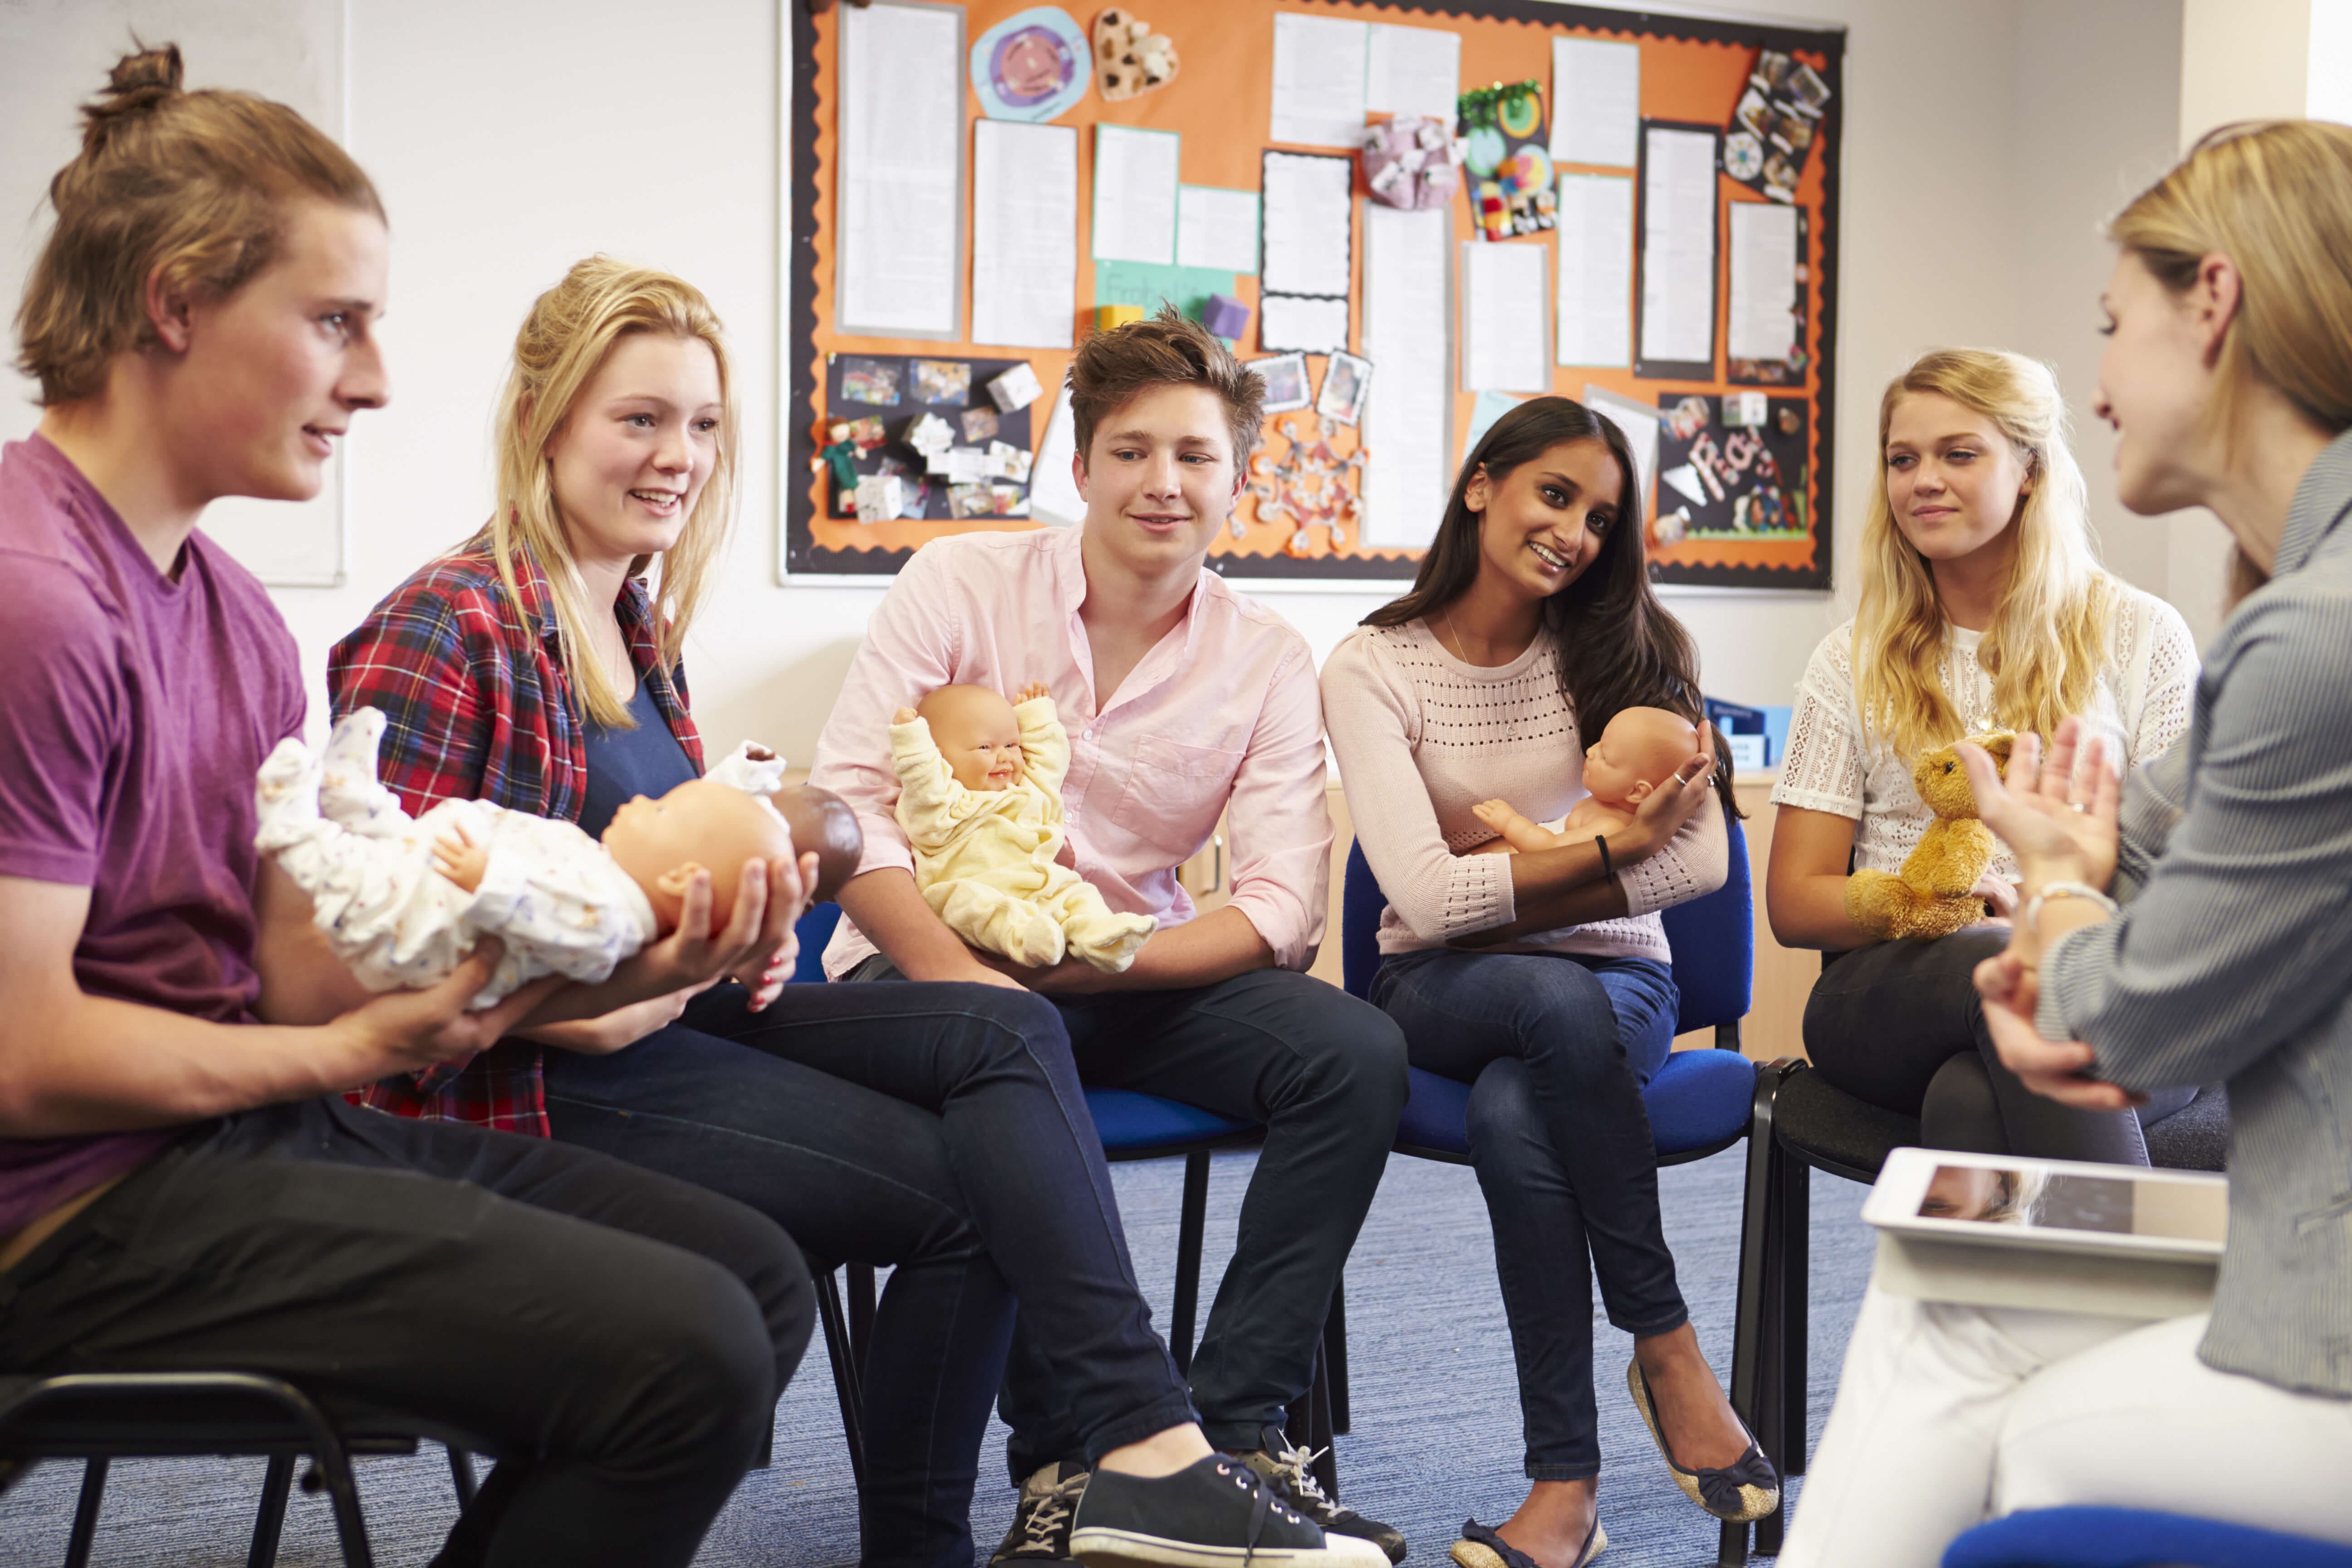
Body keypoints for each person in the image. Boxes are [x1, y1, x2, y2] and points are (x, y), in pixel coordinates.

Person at [332, 264, 1368, 1568]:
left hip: (679, 1019)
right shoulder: (449, 622)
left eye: (703, 427)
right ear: (543, 416)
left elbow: (649, 881)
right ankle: (1128, 1460)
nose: (678, 458)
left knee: (1006, 1061)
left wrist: (748, 912)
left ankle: (1142, 1451)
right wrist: (628, 986)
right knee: (982, 1171)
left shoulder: (631, 621)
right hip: (542, 1074)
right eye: (639, 420)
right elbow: (374, 950)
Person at [0, 48, 813, 1568]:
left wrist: (646, 940)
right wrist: (340, 1051)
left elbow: (293, 964)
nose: (373, 379)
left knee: (750, 1282)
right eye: (333, 323)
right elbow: (26, 1058)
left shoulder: (234, 616)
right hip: (60, 1213)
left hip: (239, 1130)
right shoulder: (36, 602)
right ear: (176, 304)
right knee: (686, 1346)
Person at [1779, 119, 2352, 1568]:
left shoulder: (2292, 639)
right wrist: (2066, 896)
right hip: (1975, 1013)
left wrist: (2046, 886)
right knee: (1961, 1258)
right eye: (1901, 457)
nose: (2097, 385)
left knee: (1960, 1328)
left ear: (2213, 304)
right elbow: (2144, 880)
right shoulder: (2293, 617)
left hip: (2319, 1274)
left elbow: (2112, 1012)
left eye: (2110, 329)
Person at [808, 306, 1413, 1567]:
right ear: (1079, 468)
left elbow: (1279, 907)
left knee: (1351, 1053)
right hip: (933, 966)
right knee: (1013, 1052)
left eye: (1195, 457)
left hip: (1126, 962)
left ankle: (1228, 1441)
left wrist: (1106, 963)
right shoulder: (958, 585)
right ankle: (1068, 1468)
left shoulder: (1264, 657)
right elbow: (852, 815)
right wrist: (974, 982)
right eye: (1132, 452)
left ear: (1236, 482)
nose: (1163, 483)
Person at [1319, 395, 1770, 1568]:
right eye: (1554, 495)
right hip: (1438, 991)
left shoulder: (1632, 650)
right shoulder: (1374, 665)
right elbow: (1418, 903)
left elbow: (1709, 862)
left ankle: (1563, 1491)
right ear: (1483, 485)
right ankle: (1666, 1345)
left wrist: (1512, 874)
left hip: (1621, 994)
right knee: (1546, 1002)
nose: (1575, 531)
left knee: (1531, 1095)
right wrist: (1616, 853)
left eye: (1601, 516)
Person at [1766, 348, 2200, 1161]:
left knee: (1973, 1099)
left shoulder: (2144, 637)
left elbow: (2195, 883)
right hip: (1894, 989)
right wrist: (1936, 903)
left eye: (1958, 453)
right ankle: (2140, 1286)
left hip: (2116, 985)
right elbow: (1794, 902)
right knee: (2003, 962)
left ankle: (2014, 1292)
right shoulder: (1849, 660)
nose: (1922, 479)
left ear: (2030, 470)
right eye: (1904, 459)